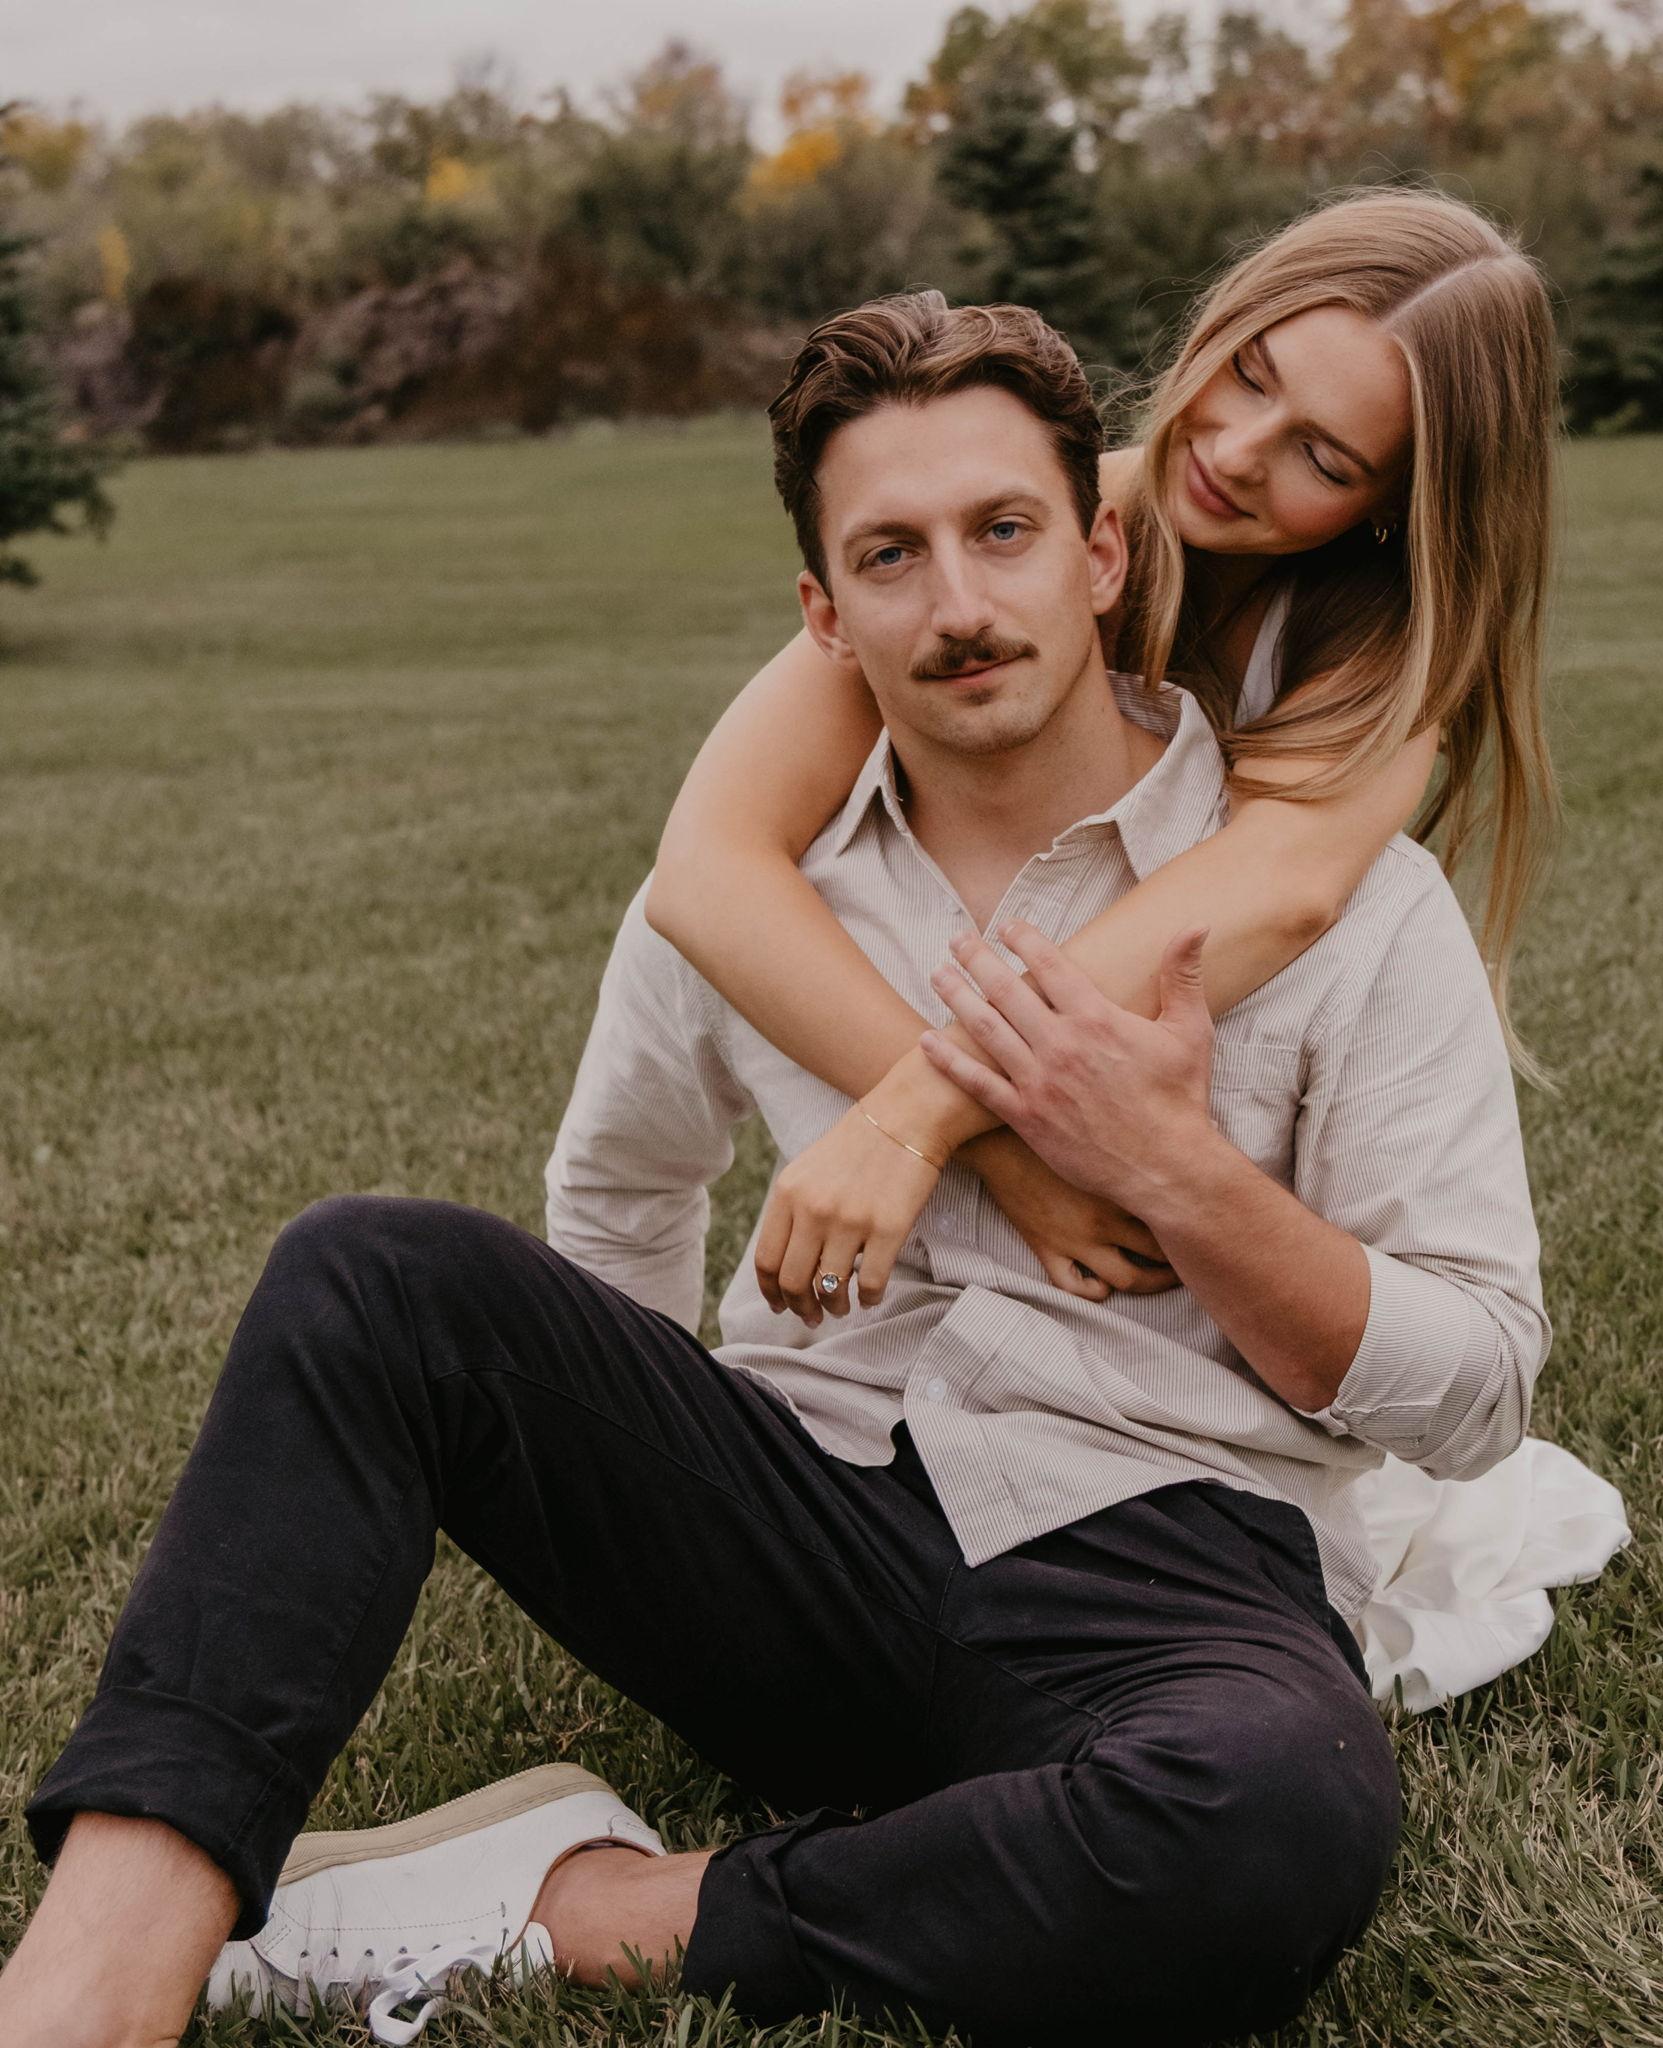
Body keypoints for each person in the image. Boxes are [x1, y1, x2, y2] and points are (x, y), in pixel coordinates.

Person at [4, 291, 1548, 2048]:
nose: (957, 606)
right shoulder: (759, 901)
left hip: (1166, 1563)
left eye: (1004, 532)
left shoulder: (1348, 909)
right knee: (369, 1273)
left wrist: (1178, 1170)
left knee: (1275, 1818)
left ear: (1104, 552)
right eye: (890, 554)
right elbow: (621, 1197)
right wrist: (647, 1497)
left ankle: (569, 1906)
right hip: (809, 1514)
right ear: (823, 612)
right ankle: (89, 1985)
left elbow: (1480, 1387)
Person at [645, 187, 1560, 1322]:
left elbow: (1280, 890)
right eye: (1248, 374)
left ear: (1396, 504)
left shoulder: (1383, 659)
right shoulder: (1020, 536)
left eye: (1323, 459)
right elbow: (704, 870)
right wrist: (985, 1146)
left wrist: (925, 1112)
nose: (1234, 451)